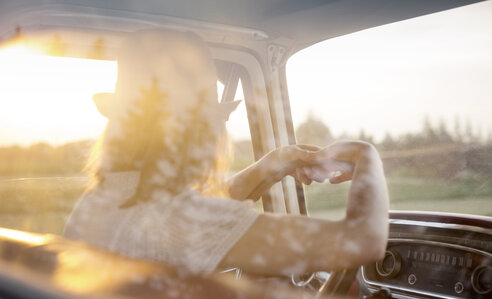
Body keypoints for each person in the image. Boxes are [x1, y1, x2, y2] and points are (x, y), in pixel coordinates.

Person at [64, 29, 389, 276]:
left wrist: (271, 165)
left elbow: (199, 212)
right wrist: (366, 155)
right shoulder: (176, 220)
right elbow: (362, 241)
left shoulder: (98, 204)